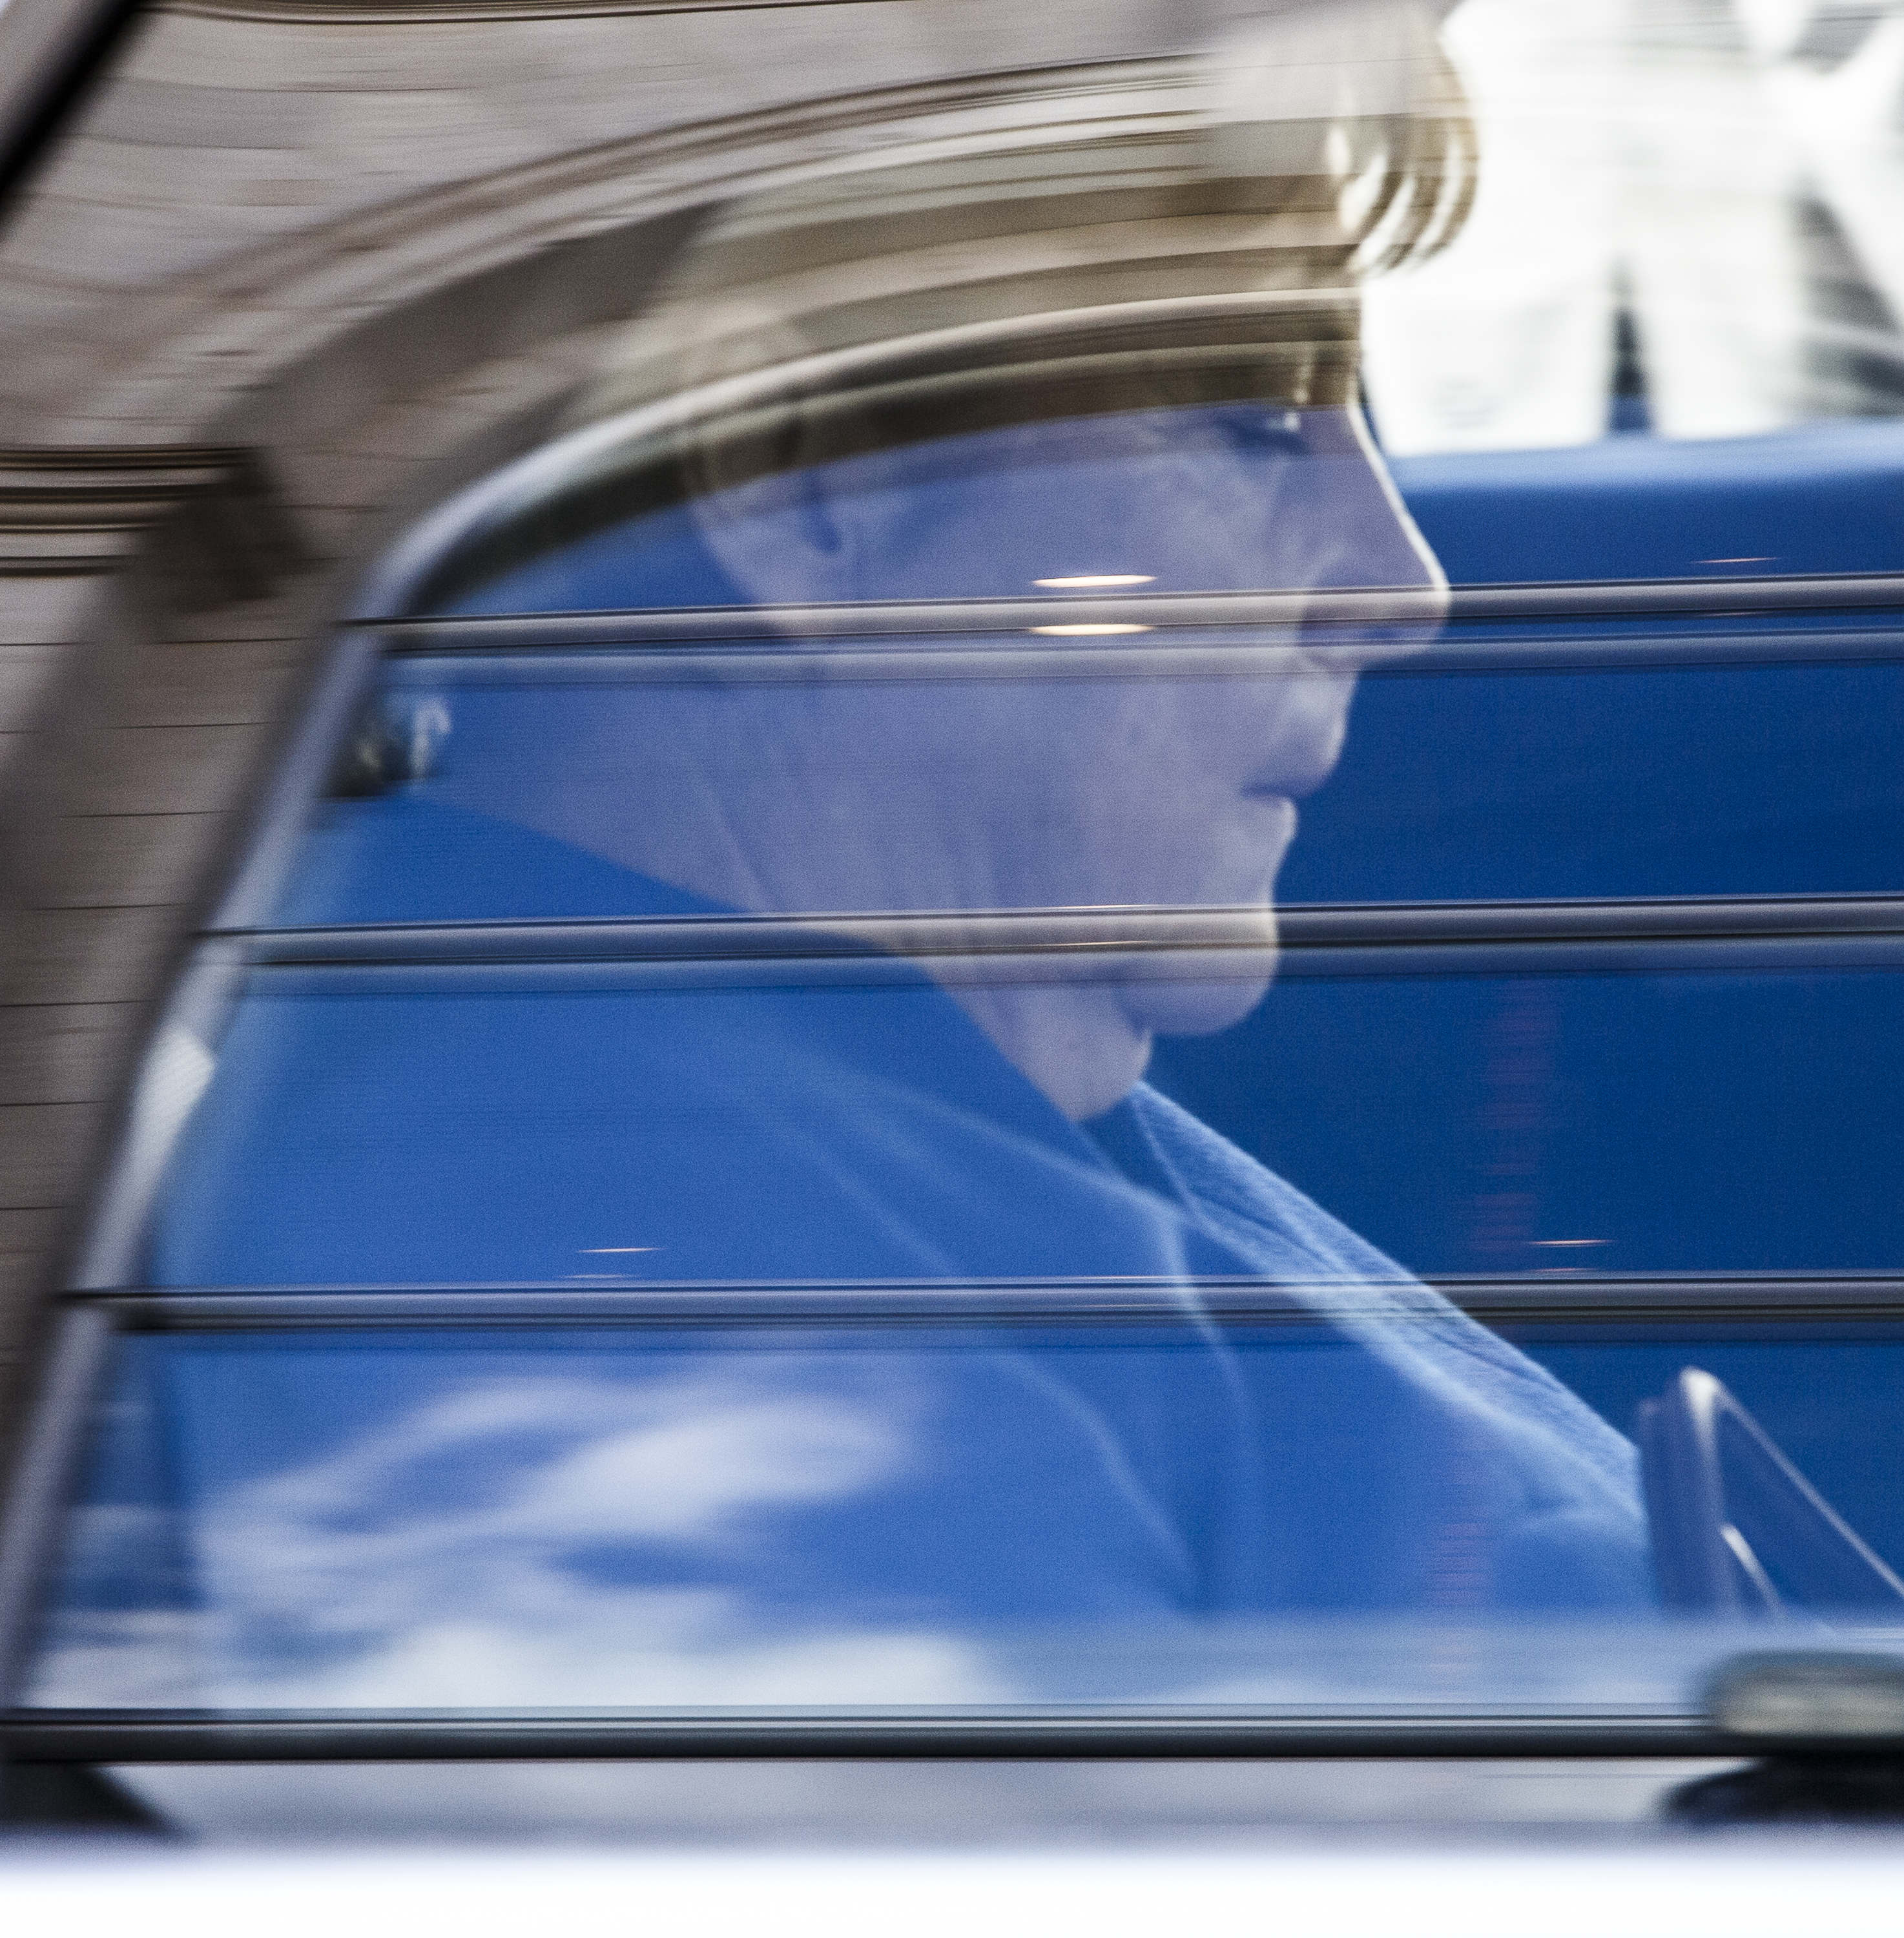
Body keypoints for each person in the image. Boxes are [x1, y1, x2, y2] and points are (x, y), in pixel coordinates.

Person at [126, 6, 1661, 1692]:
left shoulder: (808, 1124)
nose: (1397, 581)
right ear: (798, 491)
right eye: (1244, 415)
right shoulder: (624, 1277)